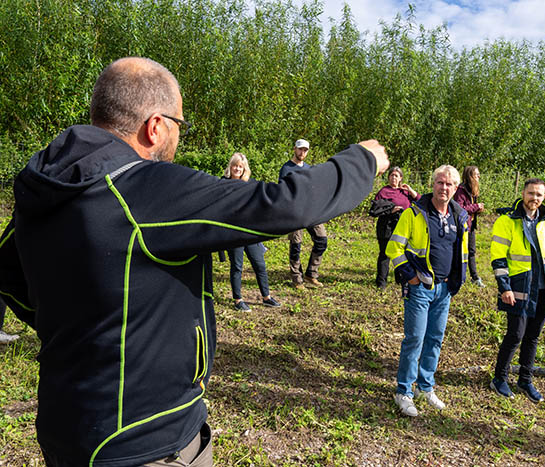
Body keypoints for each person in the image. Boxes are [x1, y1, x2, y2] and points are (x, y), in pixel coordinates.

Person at [0, 57, 389, 466]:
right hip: (145, 438)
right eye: (178, 125)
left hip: (67, 425)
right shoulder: (144, 188)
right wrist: (361, 161)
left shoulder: (46, 184)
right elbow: (281, 205)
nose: (178, 137)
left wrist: (75, 328)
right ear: (155, 126)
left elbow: (7, 272)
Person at [386, 165, 469, 417]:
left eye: (449, 184)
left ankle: (425, 387)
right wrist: (409, 276)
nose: (444, 188)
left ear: (456, 188)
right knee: (415, 339)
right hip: (420, 287)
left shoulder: (460, 216)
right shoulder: (414, 214)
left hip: (445, 289)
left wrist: (458, 281)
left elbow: (463, 253)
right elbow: (394, 248)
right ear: (433, 184)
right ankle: (404, 392)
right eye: (440, 183)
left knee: (435, 339)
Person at [489, 178, 545, 403]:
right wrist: (505, 287)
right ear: (523, 193)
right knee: (515, 335)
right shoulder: (507, 221)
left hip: (544, 289)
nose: (534, 198)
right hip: (519, 287)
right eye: (531, 193)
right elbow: (498, 257)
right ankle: (499, 378)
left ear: (544, 198)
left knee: (533, 337)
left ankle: (525, 379)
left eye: (539, 195)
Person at [222, 152, 281, 311]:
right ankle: (238, 300)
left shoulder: (250, 183)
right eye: (235, 165)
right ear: (231, 166)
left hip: (249, 231)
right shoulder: (222, 183)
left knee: (259, 264)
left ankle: (266, 297)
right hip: (233, 232)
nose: (238, 169)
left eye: (241, 166)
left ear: (244, 168)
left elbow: (261, 200)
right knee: (237, 266)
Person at [278, 139, 327, 289]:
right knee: (296, 245)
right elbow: (282, 191)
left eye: (305, 150)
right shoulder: (286, 169)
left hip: (311, 211)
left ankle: (311, 274)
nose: (302, 153)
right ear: (294, 149)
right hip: (294, 212)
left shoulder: (308, 168)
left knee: (321, 240)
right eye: (300, 149)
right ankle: (296, 279)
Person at [369, 167, 419, 289]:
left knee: (401, 253)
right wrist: (391, 210)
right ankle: (381, 282)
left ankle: (400, 278)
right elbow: (375, 209)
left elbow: (420, 201)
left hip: (402, 227)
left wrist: (410, 190)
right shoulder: (383, 191)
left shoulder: (405, 192)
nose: (394, 178)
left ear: (401, 178)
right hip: (386, 226)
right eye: (392, 175)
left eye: (396, 176)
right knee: (385, 254)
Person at [453, 165, 485, 287]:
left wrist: (478, 210)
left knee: (471, 251)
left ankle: (475, 277)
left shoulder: (472, 190)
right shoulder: (460, 190)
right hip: (461, 227)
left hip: (470, 226)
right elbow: (459, 208)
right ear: (470, 176)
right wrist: (476, 207)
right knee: (458, 252)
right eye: (476, 174)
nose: (479, 176)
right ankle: (458, 277)